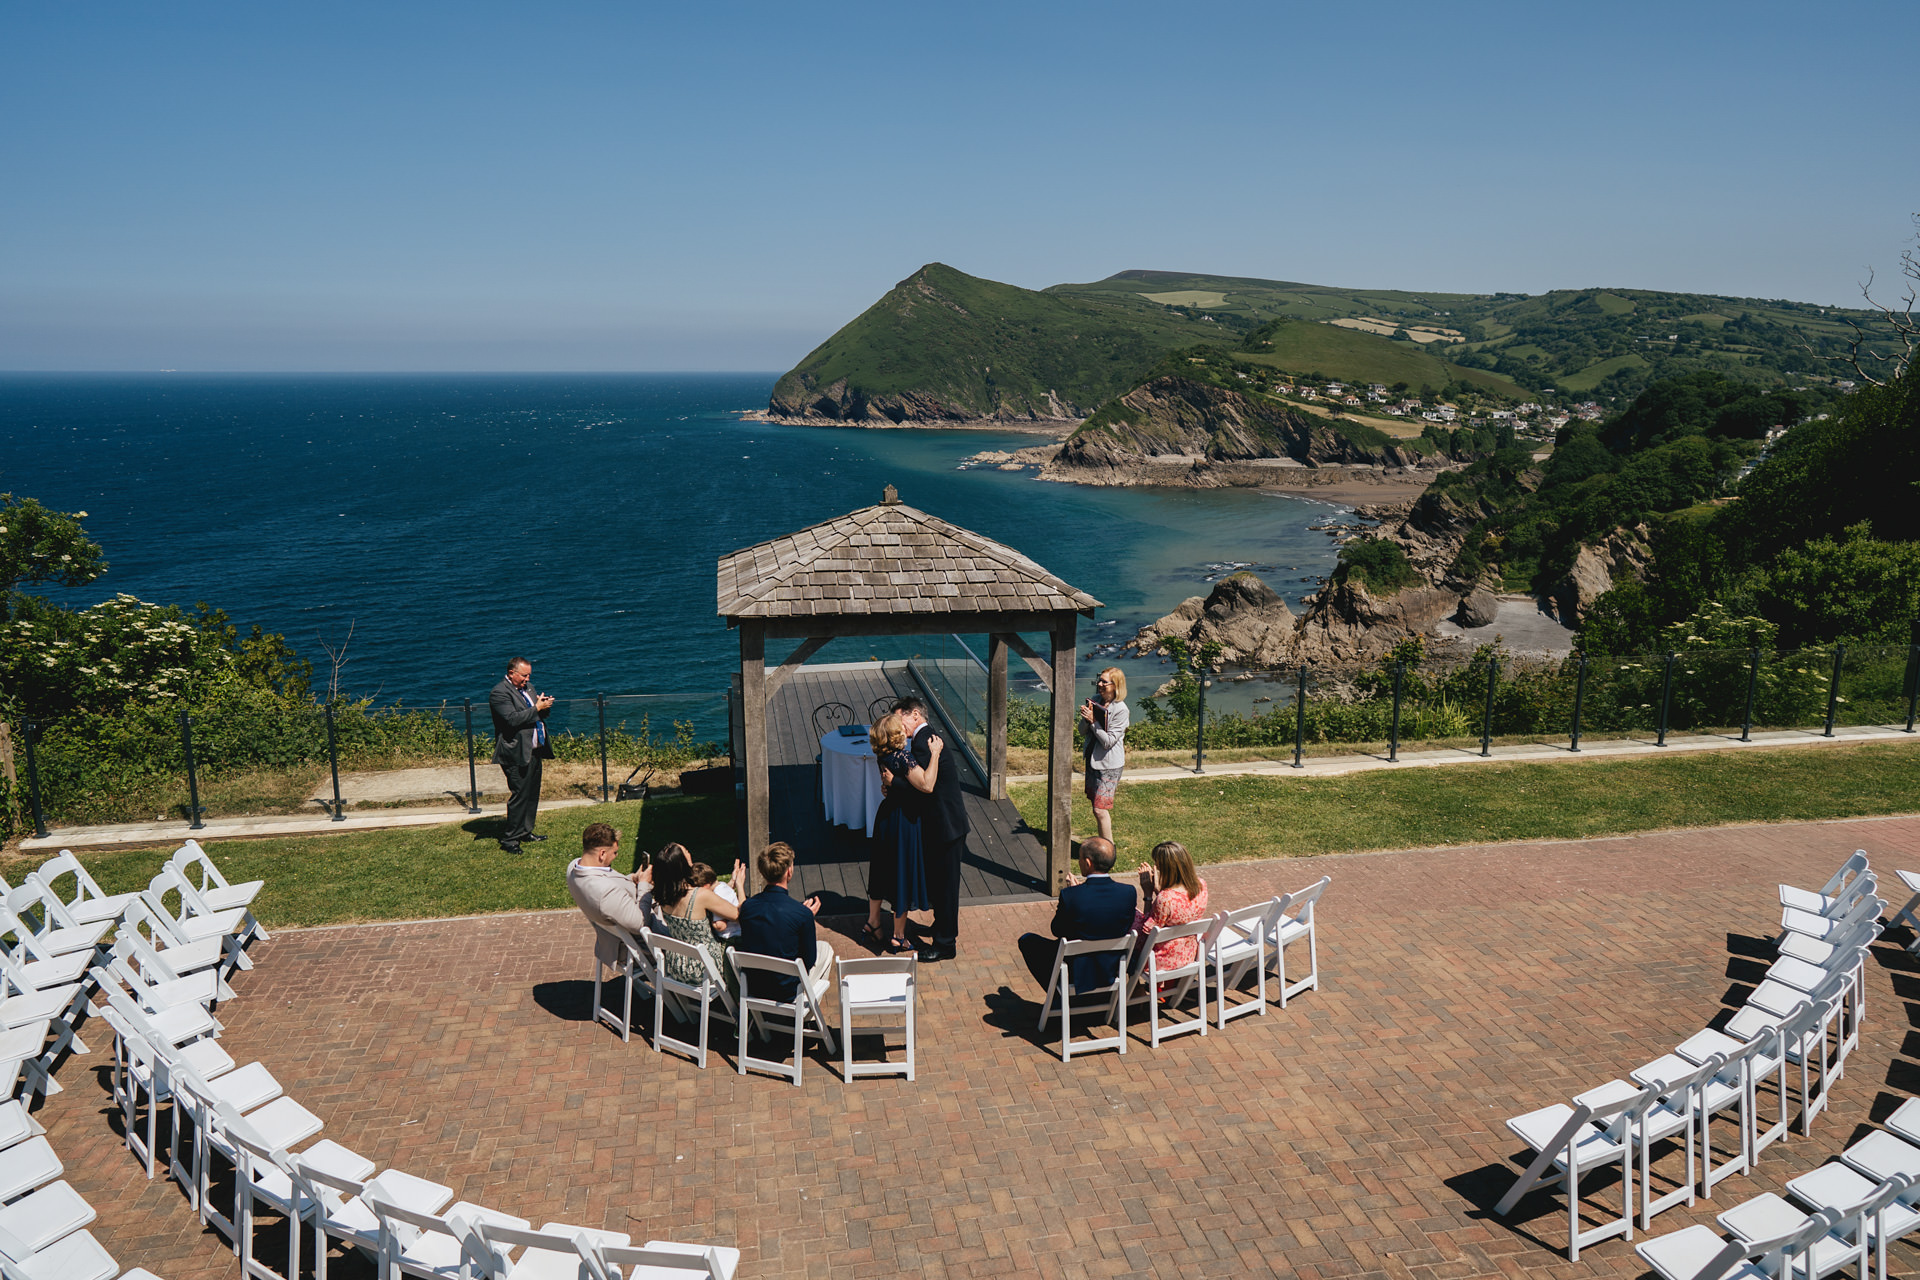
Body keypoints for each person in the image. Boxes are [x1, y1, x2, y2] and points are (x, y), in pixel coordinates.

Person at [893, 697, 967, 963]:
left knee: (945, 888)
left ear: (914, 715)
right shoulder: (926, 738)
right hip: (946, 823)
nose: (898, 724)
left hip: (944, 826)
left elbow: (925, 786)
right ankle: (942, 928)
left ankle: (946, 944)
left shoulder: (924, 743)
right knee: (940, 885)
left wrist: (894, 783)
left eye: (899, 718)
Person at [1018, 836, 1136, 993]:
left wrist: (1073, 895)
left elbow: (1057, 930)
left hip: (1078, 970)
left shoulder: (1071, 896)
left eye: (1080, 858)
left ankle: (1058, 993)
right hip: (1111, 966)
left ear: (1088, 863)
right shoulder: (1128, 893)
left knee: (1027, 941)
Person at [864, 710, 936, 954]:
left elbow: (895, 785)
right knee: (901, 873)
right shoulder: (904, 758)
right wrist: (935, 754)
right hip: (904, 821)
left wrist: (891, 785)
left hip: (885, 817)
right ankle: (898, 936)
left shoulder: (882, 756)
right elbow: (926, 784)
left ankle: (873, 922)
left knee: (881, 868)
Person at [736, 841, 834, 1002]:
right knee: (826, 949)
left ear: (763, 872)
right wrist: (805, 917)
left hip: (755, 986)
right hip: (787, 992)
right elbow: (809, 961)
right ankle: (808, 1010)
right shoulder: (801, 914)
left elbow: (769, 928)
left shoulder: (747, 908)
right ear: (789, 872)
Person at [650, 844, 746, 989]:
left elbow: (716, 902)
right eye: (686, 852)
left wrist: (729, 885)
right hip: (705, 968)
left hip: (677, 966)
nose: (689, 853)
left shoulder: (664, 895)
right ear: (682, 863)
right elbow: (739, 914)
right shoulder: (700, 895)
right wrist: (739, 884)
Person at [564, 823, 651, 974]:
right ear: (602, 853)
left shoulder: (573, 868)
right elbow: (640, 924)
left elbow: (610, 883)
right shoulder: (605, 892)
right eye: (615, 852)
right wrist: (644, 885)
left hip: (609, 941)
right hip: (637, 949)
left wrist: (633, 878)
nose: (616, 856)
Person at [490, 656, 554, 854]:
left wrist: (543, 707)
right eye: (524, 676)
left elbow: (535, 714)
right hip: (515, 751)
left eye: (529, 676)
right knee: (520, 794)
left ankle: (526, 830)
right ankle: (510, 839)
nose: (527, 679)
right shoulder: (499, 693)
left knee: (532, 793)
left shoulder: (528, 688)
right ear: (512, 673)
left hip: (534, 749)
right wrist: (536, 708)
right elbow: (511, 720)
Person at [1133, 840, 1210, 982]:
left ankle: (1135, 986)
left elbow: (1148, 933)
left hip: (1162, 959)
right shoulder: (1201, 885)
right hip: (1188, 954)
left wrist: (1149, 894)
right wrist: (1160, 891)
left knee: (1131, 918)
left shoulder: (1165, 899)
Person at [1080, 667, 1130, 845]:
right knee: (1096, 809)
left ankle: (1108, 848)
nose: (1099, 684)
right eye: (1099, 680)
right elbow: (1081, 731)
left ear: (1116, 685)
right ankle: (1104, 844)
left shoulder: (1121, 710)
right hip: (1093, 760)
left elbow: (1108, 742)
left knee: (1100, 809)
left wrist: (1094, 722)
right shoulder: (1095, 700)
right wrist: (1086, 720)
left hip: (1109, 765)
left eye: (1104, 682)